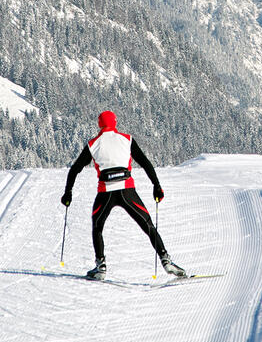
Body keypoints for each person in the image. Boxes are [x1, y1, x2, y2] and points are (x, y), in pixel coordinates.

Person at [61, 109, 186, 280]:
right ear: (115, 123)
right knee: (147, 225)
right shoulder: (127, 140)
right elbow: (146, 163)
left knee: (97, 226)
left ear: (99, 124)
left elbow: (75, 169)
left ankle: (101, 265)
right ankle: (166, 259)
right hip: (127, 190)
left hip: (105, 192)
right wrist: (157, 186)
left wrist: (68, 193)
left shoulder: (93, 144)